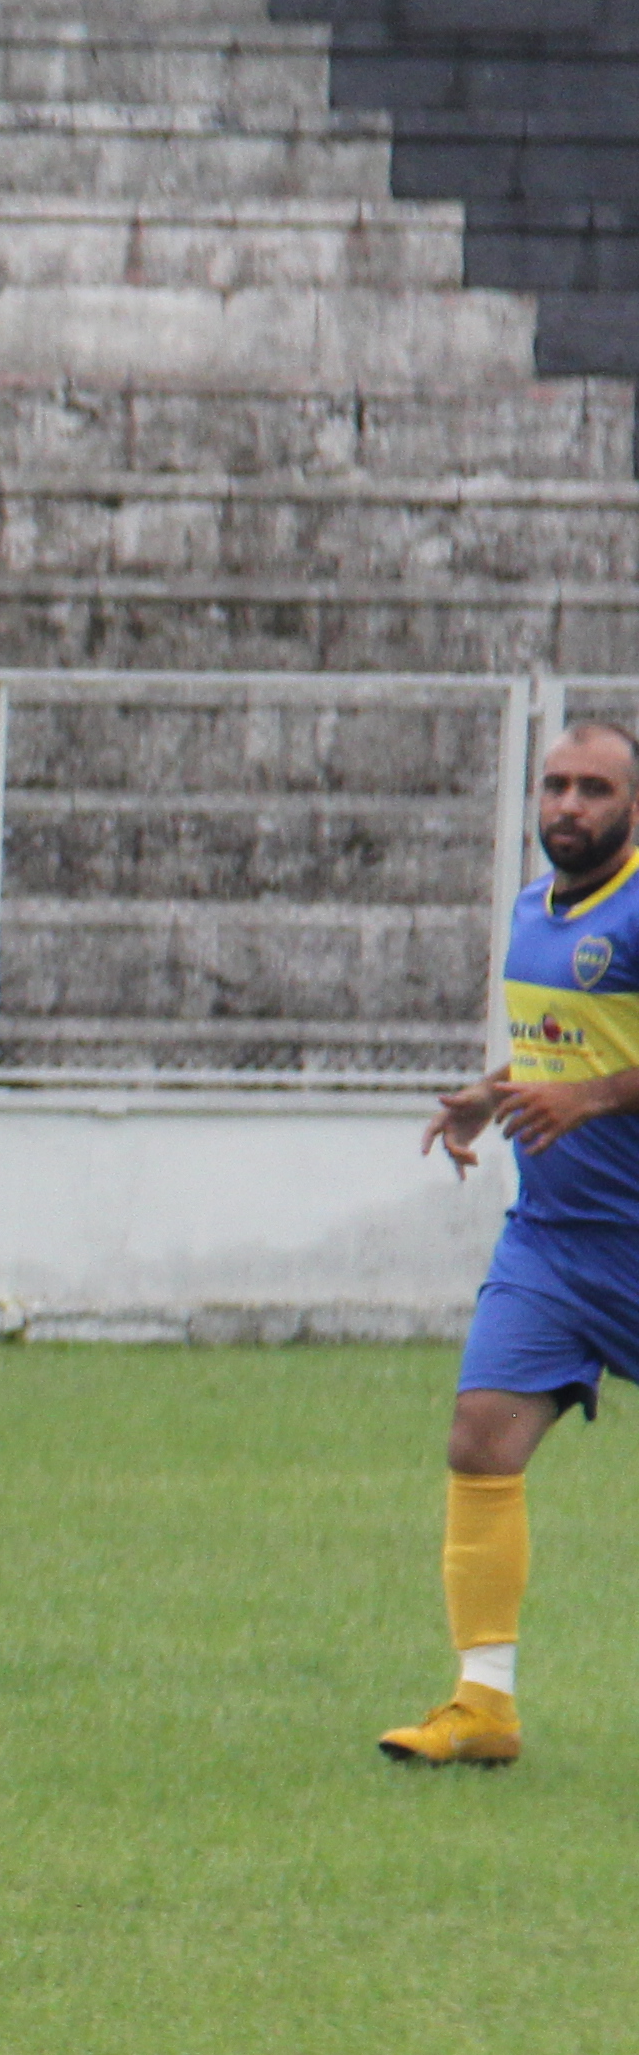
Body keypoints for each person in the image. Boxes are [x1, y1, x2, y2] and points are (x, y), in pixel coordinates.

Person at [382, 718, 639, 1768]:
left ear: (632, 808)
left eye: (594, 789)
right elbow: (558, 1038)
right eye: (555, 786)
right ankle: (483, 1706)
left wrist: (592, 1100)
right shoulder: (536, 910)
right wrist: (493, 1096)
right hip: (556, 1244)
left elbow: (594, 1072)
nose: (568, 806)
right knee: (481, 1436)